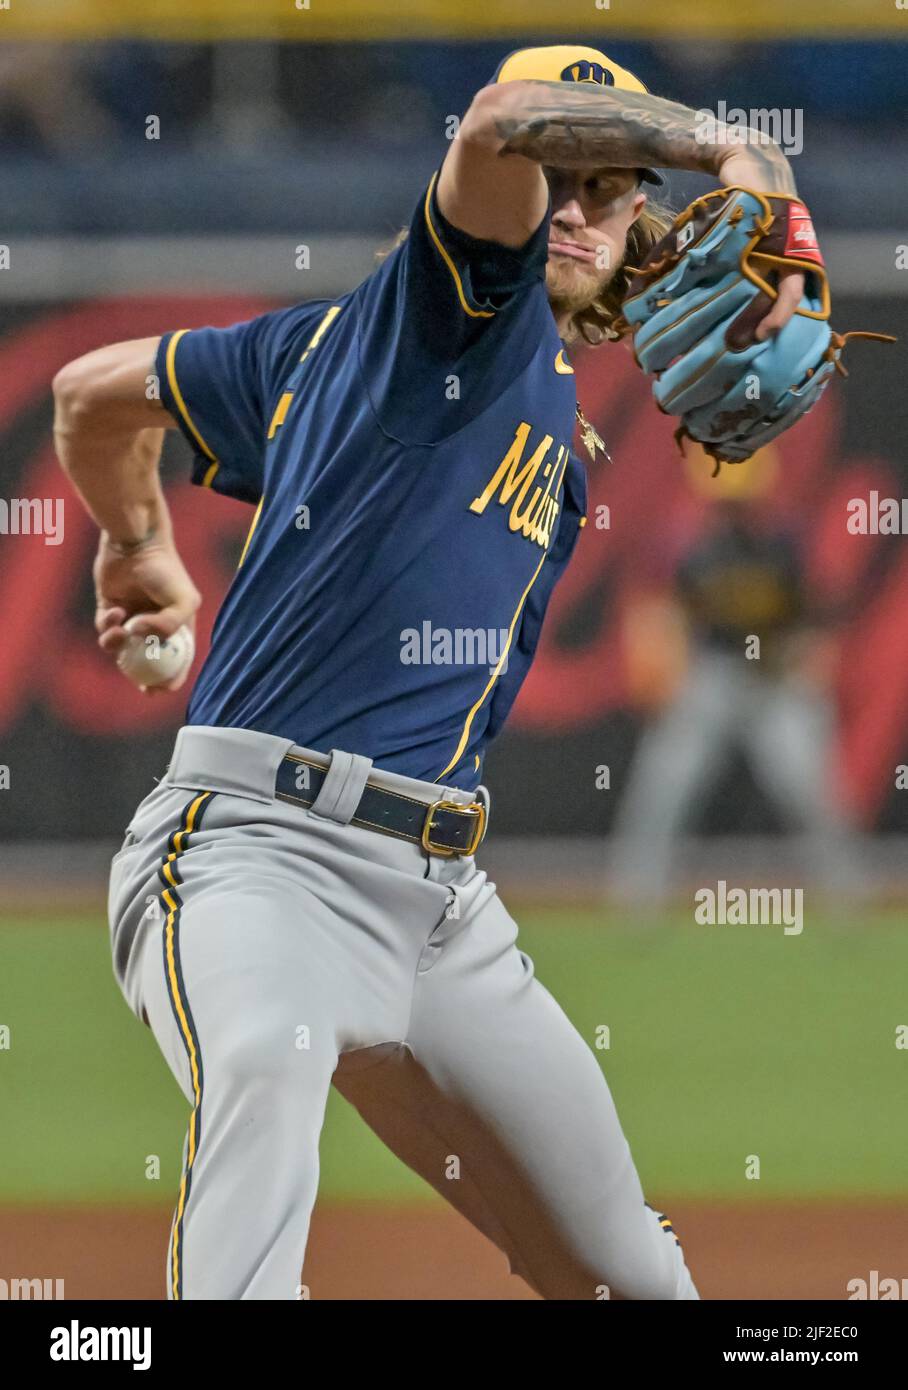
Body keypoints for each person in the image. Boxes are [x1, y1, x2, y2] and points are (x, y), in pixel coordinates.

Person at [53, 43, 807, 1301]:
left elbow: (89, 394)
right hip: (257, 854)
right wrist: (732, 148)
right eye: (556, 178)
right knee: (262, 1066)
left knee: (628, 1274)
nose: (572, 207)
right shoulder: (446, 307)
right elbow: (506, 119)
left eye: (609, 188)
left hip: (441, 908)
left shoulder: (325, 345)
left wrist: (138, 546)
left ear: (639, 233)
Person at [609, 451, 863, 904]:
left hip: (774, 679)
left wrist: (806, 665)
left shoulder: (784, 542)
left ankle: (847, 897)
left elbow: (815, 618)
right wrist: (665, 664)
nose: (732, 508)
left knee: (811, 790)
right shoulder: (687, 542)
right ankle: (635, 899)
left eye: (740, 499)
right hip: (711, 676)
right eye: (725, 500)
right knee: (665, 787)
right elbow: (661, 609)